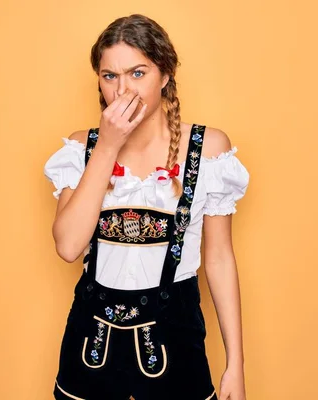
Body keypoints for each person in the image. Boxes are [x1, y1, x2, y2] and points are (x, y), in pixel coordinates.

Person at [43, 13, 250, 400]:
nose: (123, 91)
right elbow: (69, 247)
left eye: (138, 73)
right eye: (110, 76)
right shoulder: (81, 149)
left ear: (165, 74)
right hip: (90, 345)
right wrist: (107, 146)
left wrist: (235, 366)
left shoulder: (208, 150)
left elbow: (219, 259)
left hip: (178, 340)